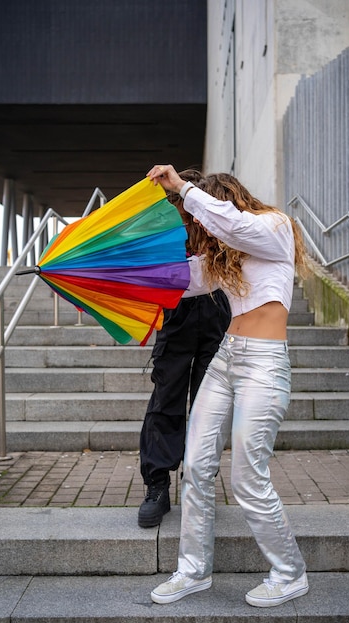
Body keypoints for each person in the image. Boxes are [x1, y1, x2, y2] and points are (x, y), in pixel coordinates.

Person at [146, 163, 309, 608]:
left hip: (264, 366)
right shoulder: (225, 258)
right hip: (226, 359)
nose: (201, 227)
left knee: (247, 477)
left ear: (226, 200)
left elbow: (232, 224)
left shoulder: (273, 227)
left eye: (204, 215)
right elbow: (178, 282)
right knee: (196, 469)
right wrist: (104, 284)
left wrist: (182, 187)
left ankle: (290, 572)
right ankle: (193, 570)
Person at [138, 168, 231, 528]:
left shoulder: (210, 214)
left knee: (211, 403)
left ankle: (199, 483)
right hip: (175, 314)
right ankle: (157, 486)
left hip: (215, 309)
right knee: (166, 400)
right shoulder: (161, 225)